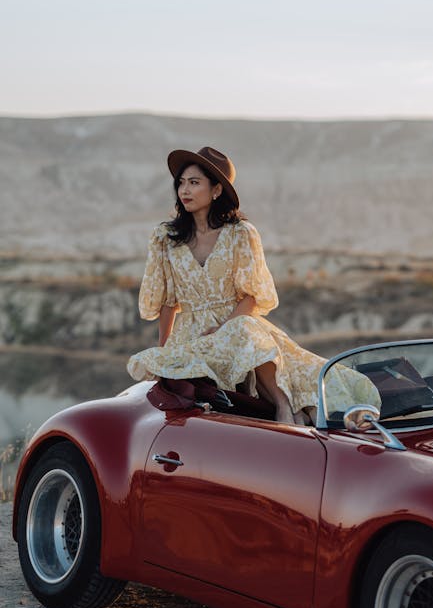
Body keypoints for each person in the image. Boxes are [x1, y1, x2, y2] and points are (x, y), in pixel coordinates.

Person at [127, 147, 379, 424]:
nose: (184, 190)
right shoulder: (165, 238)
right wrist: (164, 350)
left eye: (194, 182)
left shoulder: (240, 233)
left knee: (247, 332)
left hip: (237, 325)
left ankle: (285, 406)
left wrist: (224, 329)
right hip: (191, 334)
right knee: (161, 361)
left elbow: (252, 296)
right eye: (181, 182)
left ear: (216, 190)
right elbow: (167, 302)